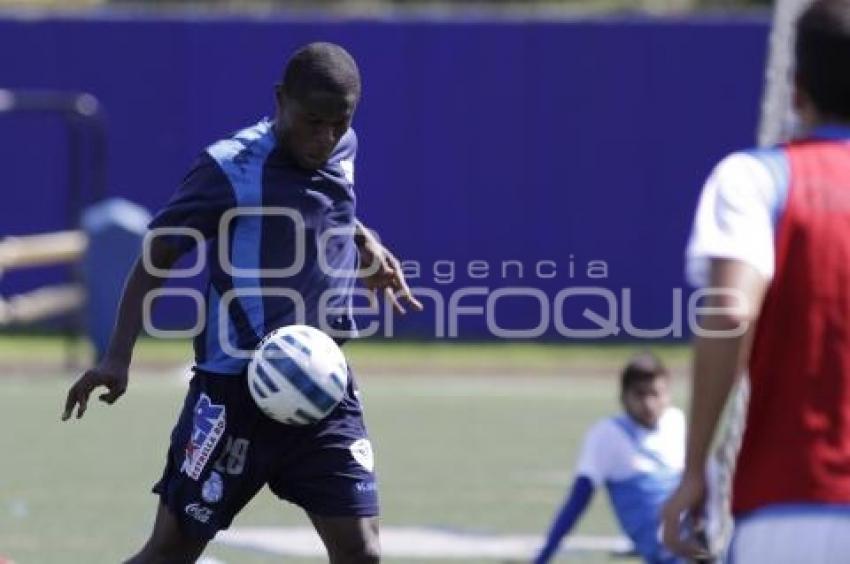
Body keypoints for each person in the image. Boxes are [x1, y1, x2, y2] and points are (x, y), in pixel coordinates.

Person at [61, 42, 422, 563]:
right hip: (234, 394)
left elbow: (330, 202)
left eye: (338, 125)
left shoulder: (344, 146)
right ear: (281, 101)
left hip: (323, 388)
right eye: (312, 121)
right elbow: (155, 258)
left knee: (361, 553)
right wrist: (118, 356)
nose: (324, 138)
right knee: (170, 552)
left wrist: (367, 245)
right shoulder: (229, 167)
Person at [661, 1, 850, 561]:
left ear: (796, 88)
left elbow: (730, 312)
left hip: (790, 502)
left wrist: (696, 468)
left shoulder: (755, 178)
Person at [534, 352, 685, 564]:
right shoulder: (607, 435)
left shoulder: (676, 422)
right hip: (669, 550)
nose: (649, 403)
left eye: (656, 394)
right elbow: (578, 500)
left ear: (668, 395)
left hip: (700, 534)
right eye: (640, 394)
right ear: (623, 397)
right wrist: (543, 557)